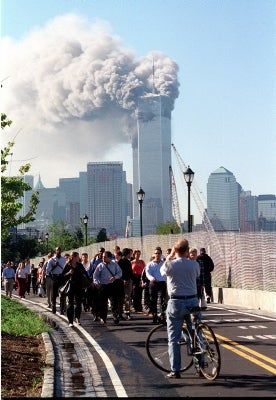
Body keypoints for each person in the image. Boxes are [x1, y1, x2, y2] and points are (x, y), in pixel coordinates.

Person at [160, 238, 200, 379]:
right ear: (187, 250)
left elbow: (162, 272)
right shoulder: (194, 265)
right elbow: (197, 276)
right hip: (193, 300)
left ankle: (175, 370)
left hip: (176, 302)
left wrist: (169, 257)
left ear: (175, 250)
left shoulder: (171, 265)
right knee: (196, 333)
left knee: (173, 339)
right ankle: (200, 365)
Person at [93, 250, 123, 324]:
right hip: (103, 286)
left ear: (109, 257)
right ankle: (103, 318)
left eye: (105, 257)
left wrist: (115, 277)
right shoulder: (100, 265)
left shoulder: (114, 264)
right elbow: (95, 275)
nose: (103, 258)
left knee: (114, 301)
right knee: (103, 303)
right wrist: (96, 283)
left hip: (112, 285)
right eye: (103, 257)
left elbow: (120, 272)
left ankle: (115, 316)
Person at [61, 251, 88, 327]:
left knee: (79, 303)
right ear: (73, 257)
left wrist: (89, 281)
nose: (78, 258)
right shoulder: (68, 265)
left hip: (79, 286)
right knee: (70, 303)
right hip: (71, 286)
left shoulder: (79, 265)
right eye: (77, 257)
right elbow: (62, 276)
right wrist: (69, 273)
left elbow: (85, 274)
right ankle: (70, 321)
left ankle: (77, 318)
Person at [145, 247, 167, 324]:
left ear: (161, 254)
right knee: (153, 300)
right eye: (156, 253)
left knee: (162, 300)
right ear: (154, 254)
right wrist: (151, 278)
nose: (157, 254)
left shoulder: (164, 264)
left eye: (159, 253)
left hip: (162, 283)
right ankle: (154, 316)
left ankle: (161, 315)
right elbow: (147, 273)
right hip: (153, 283)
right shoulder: (150, 264)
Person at [46, 247, 67, 314]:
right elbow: (48, 270)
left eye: (60, 250)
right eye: (57, 250)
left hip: (62, 277)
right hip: (54, 277)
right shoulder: (51, 260)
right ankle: (54, 306)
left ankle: (62, 309)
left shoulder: (64, 259)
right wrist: (55, 266)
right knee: (54, 294)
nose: (59, 251)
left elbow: (66, 269)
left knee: (62, 293)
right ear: (55, 251)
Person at [117, 248, 134, 320]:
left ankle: (124, 313)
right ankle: (123, 313)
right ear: (127, 254)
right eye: (130, 253)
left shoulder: (126, 261)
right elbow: (119, 272)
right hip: (123, 281)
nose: (130, 255)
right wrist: (123, 279)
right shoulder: (121, 262)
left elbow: (130, 272)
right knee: (123, 297)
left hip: (126, 281)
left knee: (125, 297)